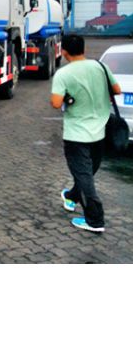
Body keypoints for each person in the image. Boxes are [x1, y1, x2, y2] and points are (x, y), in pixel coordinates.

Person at [50, 34, 121, 233]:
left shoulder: (63, 74)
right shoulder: (100, 66)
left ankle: (95, 221)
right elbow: (117, 89)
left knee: (84, 176)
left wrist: (69, 98)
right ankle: (72, 197)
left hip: (76, 136)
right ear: (84, 49)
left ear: (64, 52)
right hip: (100, 133)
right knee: (87, 173)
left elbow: (56, 103)